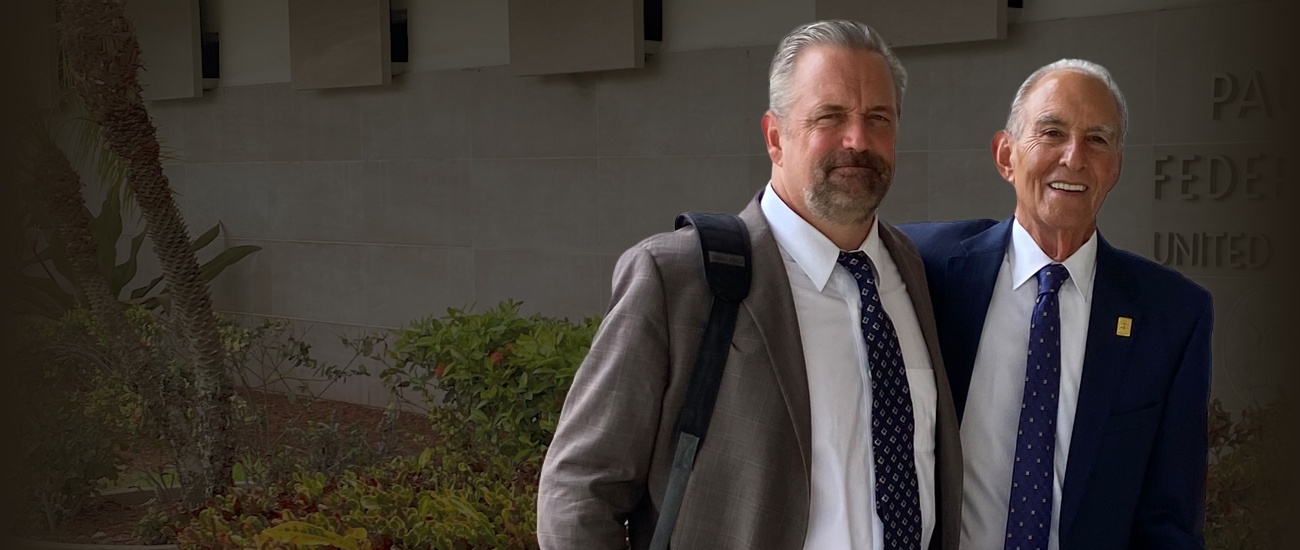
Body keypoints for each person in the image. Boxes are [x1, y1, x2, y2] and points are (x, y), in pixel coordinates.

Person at [537, 20, 962, 550]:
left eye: (878, 118)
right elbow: (579, 492)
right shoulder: (678, 279)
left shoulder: (909, 270)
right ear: (775, 137)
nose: (858, 140)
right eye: (830, 116)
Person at [900, 59, 1212, 549]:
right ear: (1006, 155)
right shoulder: (925, 266)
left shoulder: (1172, 315)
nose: (1074, 157)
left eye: (1097, 140)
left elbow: (1170, 518)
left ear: (1115, 167)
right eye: (1051, 132)